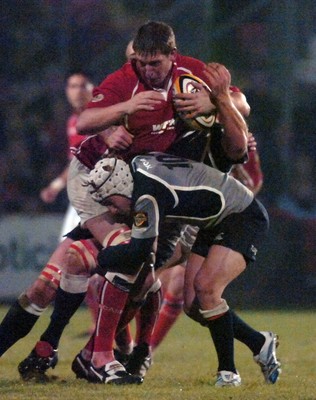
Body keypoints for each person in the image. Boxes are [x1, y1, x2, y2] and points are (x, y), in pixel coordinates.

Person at [2, 20, 250, 384]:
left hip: (138, 191)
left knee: (126, 267)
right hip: (95, 182)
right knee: (124, 260)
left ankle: (79, 351)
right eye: (140, 62)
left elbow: (241, 104)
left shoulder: (191, 75)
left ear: (172, 56)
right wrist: (124, 110)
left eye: (154, 64)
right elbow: (86, 120)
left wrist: (215, 98)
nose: (146, 70)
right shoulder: (124, 82)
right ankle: (91, 354)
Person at [74, 150, 278, 388]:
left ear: (120, 186)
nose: (111, 210)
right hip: (212, 221)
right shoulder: (138, 166)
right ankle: (259, 342)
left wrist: (97, 258)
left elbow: (137, 252)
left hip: (242, 216)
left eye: (109, 202)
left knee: (207, 290)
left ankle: (228, 373)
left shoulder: (145, 197)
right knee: (193, 305)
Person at [150, 140, 263, 352]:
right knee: (185, 302)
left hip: (208, 219)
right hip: (175, 213)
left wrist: (234, 171)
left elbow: (253, 181)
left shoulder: (234, 133)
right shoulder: (182, 129)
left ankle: (144, 351)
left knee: (183, 290)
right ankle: (127, 349)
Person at [39, 70, 101, 331]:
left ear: (92, 87)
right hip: (79, 197)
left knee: (75, 261)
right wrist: (56, 184)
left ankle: (104, 325)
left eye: (81, 85)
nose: (76, 91)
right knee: (74, 262)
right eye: (71, 86)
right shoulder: (72, 121)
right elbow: (76, 161)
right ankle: (97, 323)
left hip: (98, 197)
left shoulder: (100, 117)